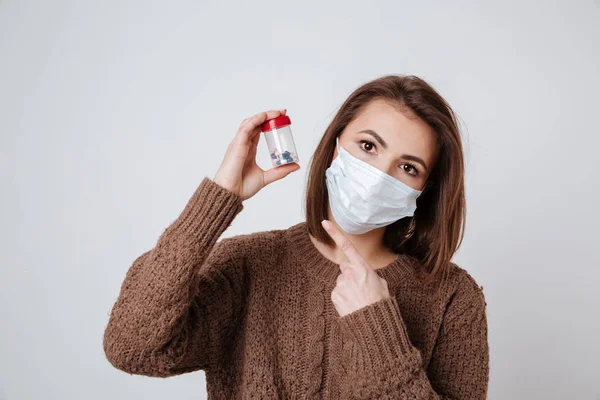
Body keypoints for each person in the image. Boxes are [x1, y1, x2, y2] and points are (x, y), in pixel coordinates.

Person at [103, 75, 489, 399]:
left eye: (407, 166)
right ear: (335, 146)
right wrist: (218, 198)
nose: (378, 177)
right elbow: (130, 347)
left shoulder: (453, 297)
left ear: (425, 188)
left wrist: (379, 332)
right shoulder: (249, 265)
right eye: (368, 146)